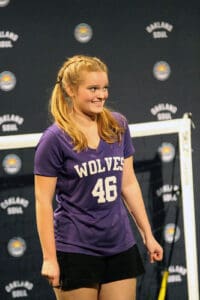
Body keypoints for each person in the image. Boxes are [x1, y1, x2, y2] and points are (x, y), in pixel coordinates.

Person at [34, 54, 163, 300]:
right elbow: (42, 201)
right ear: (71, 90)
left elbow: (128, 183)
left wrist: (148, 234)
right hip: (75, 249)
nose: (101, 95)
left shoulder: (118, 126)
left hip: (120, 245)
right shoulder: (54, 139)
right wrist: (50, 258)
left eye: (104, 88)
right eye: (92, 88)